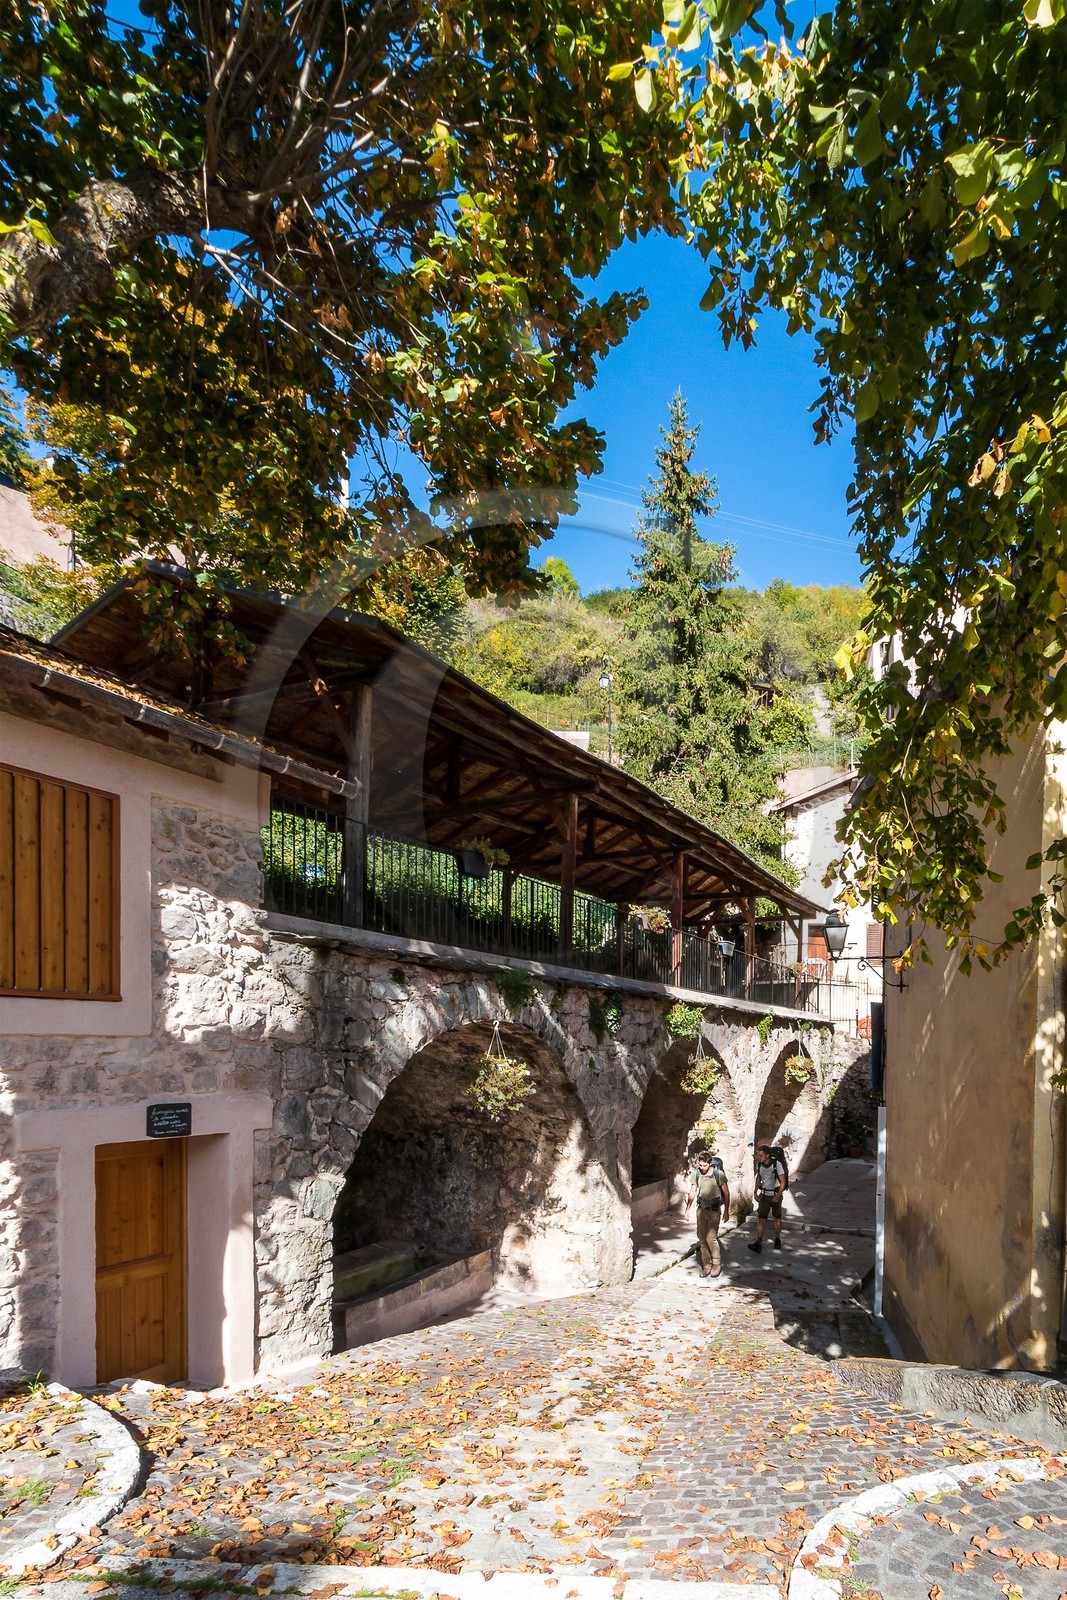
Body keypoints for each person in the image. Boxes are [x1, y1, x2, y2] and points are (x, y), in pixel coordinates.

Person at [684, 1151, 731, 1278]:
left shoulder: (718, 1174)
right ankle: (707, 1265)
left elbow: (726, 1193)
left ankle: (717, 1264)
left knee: (711, 1238)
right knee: (702, 1239)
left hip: (714, 1210)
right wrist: (687, 1210)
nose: (702, 1168)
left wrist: (726, 1211)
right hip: (701, 1209)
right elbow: (692, 1191)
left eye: (704, 1165)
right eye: (700, 1165)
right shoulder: (697, 1174)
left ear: (710, 1163)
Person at [748, 1142, 786, 1253]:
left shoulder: (776, 1164)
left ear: (767, 1155)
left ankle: (777, 1239)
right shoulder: (759, 1165)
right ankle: (758, 1242)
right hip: (764, 1195)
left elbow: (783, 1182)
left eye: (760, 1155)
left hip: (774, 1195)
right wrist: (755, 1192)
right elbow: (758, 1178)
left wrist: (778, 1196)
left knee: (777, 1217)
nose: (759, 1157)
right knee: (761, 1218)